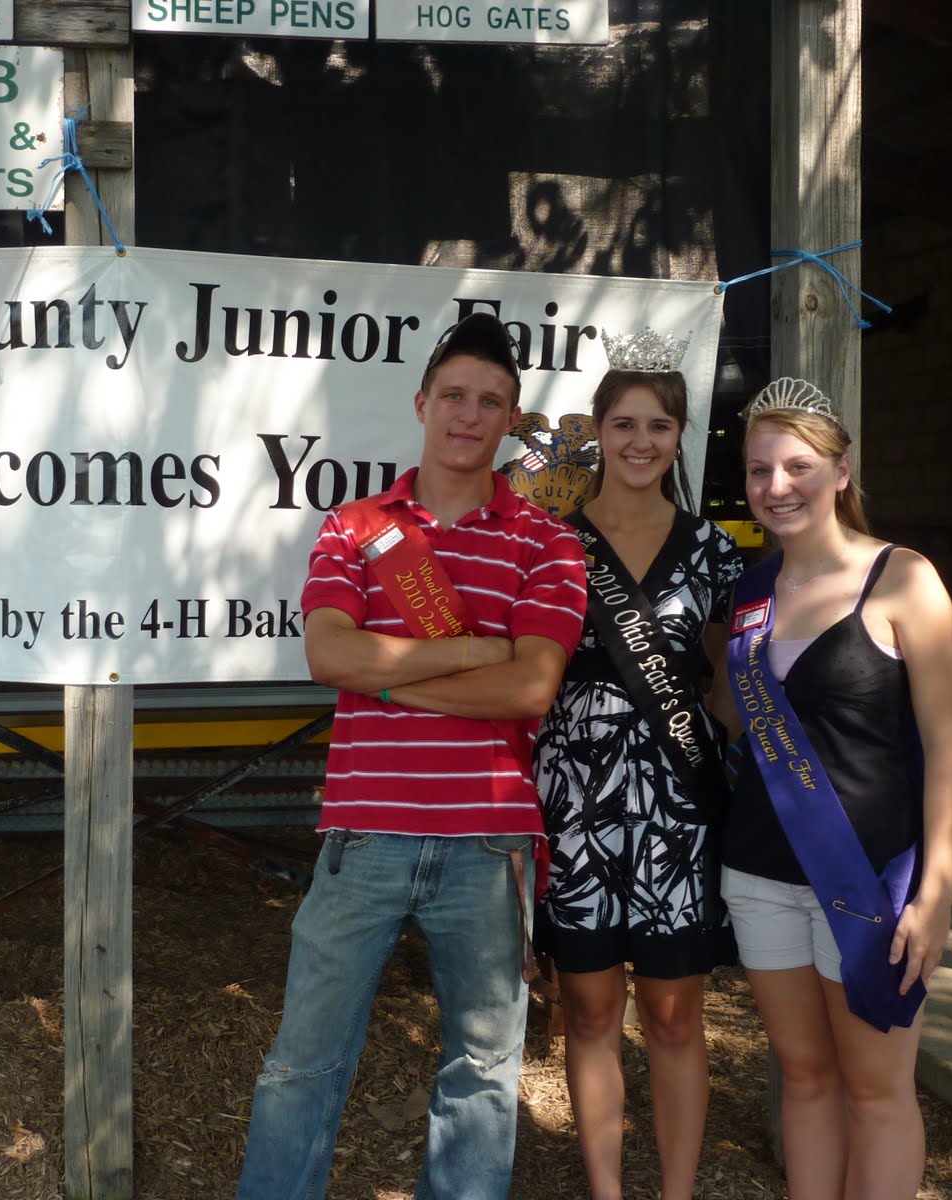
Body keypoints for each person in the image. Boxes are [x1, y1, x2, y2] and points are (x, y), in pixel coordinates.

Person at [235, 312, 588, 1200]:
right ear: (422, 402)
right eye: (455, 396)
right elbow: (329, 655)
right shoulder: (356, 527)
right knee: (301, 1065)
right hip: (365, 836)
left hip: (490, 843)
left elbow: (530, 690)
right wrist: (473, 653)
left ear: (513, 421)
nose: (469, 415)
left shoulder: (549, 544)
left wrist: (387, 681)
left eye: (491, 402)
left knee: (481, 1078)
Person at [720, 377, 952, 1200]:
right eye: (759, 471)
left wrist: (935, 891)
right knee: (804, 1078)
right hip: (760, 872)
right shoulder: (752, 593)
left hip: (869, 881)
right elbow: (737, 722)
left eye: (797, 466)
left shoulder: (905, 579)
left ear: (840, 471)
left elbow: (946, 744)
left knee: (876, 1092)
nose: (776, 487)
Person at [531, 331, 742, 1200]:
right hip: (574, 804)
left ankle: (677, 1192)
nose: (640, 442)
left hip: (676, 814)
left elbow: (733, 685)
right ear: (599, 431)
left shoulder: (716, 552)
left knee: (672, 1014)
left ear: (680, 434)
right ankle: (608, 1191)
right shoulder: (549, 544)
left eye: (659, 425)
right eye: (624, 423)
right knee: (586, 1011)